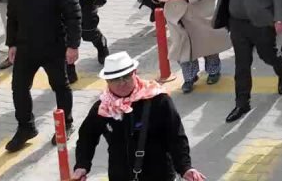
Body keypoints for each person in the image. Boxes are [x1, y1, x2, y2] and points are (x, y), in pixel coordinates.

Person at [70, 52, 203, 181]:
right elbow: (86, 137)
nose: (122, 83)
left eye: (126, 76)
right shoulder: (103, 108)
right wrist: (82, 165)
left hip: (159, 174)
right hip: (120, 175)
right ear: (107, 81)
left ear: (135, 72)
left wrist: (185, 167)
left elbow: (176, 136)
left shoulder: (158, 99)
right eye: (115, 79)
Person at [3, 0, 81, 152]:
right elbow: (12, 17)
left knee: (60, 86)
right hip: (25, 47)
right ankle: (26, 127)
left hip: (53, 47)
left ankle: (66, 123)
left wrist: (73, 46)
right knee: (19, 88)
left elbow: (73, 16)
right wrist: (11, 44)